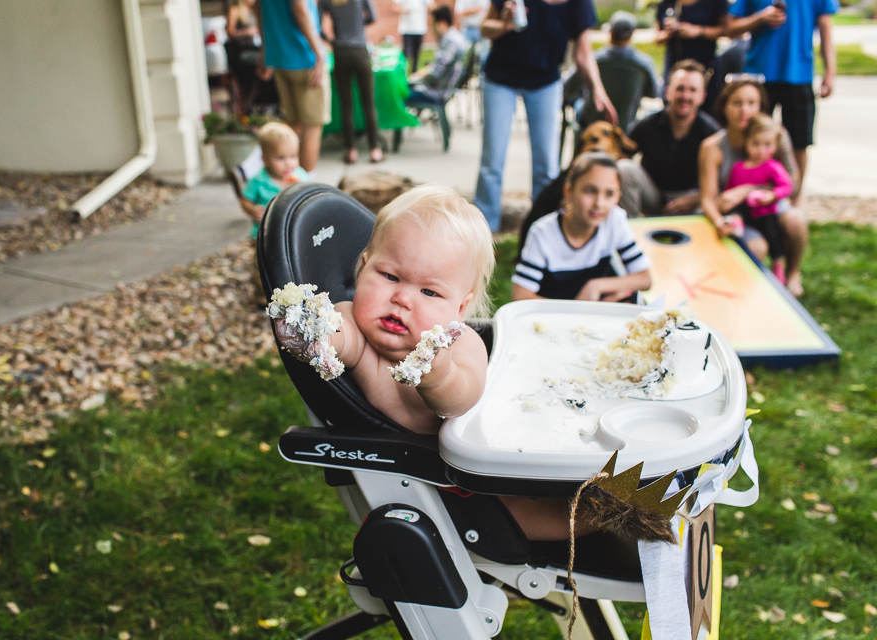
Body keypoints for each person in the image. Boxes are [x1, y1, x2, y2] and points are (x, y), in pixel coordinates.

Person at [273, 185, 590, 540]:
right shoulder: (356, 328)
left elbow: (462, 398)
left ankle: (612, 506)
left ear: (459, 309)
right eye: (390, 276)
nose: (402, 298)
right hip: (450, 486)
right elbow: (337, 338)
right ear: (363, 269)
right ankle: (606, 517)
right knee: (534, 518)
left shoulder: (462, 344)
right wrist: (309, 336)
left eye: (429, 292)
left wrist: (441, 376)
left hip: (503, 449)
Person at [474, 0, 617, 233]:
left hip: (545, 83)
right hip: (500, 79)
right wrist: (503, 24)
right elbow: (485, 27)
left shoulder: (577, 4)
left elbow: (583, 53)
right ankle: (484, 228)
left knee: (546, 165)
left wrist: (597, 89)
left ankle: (543, 227)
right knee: (493, 160)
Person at [699, 78, 808, 295]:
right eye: (737, 103)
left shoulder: (775, 136)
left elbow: (792, 185)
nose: (744, 110)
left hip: (770, 207)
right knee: (757, 247)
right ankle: (750, 289)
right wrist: (719, 222)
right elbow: (708, 197)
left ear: (760, 107)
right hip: (738, 216)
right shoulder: (712, 146)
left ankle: (793, 273)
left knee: (796, 220)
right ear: (724, 106)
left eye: (751, 103)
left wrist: (746, 190)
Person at [726, 0, 837, 194]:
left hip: (799, 74)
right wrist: (760, 18)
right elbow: (732, 27)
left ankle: (793, 199)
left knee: (799, 143)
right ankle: (749, 196)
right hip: (759, 75)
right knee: (750, 141)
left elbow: (826, 26)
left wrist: (830, 72)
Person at [513, 152, 652, 302]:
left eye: (609, 194)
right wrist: (581, 307)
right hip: (551, 318)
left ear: (618, 197)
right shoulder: (542, 233)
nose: (599, 203)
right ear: (568, 192)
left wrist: (596, 286)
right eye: (590, 191)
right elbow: (521, 297)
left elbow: (645, 279)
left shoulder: (615, 220)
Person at [622, 60, 720, 217]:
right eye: (680, 89)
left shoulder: (712, 133)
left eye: (692, 90)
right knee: (623, 168)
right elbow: (621, 156)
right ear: (667, 92)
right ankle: (627, 231)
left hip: (694, 201)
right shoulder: (645, 126)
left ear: (702, 96)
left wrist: (693, 200)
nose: (685, 96)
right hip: (654, 195)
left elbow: (721, 182)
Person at [256, 0, 328, 172]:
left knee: (293, 125)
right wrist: (318, 50)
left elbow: (260, 10)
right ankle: (303, 191)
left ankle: (285, 183)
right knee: (312, 125)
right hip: (304, 58)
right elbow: (300, 8)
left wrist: (265, 49)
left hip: (279, 58)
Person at [723, 113, 792, 282]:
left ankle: (778, 263)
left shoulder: (772, 167)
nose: (761, 150)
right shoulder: (738, 167)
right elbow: (731, 190)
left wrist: (772, 195)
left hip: (764, 210)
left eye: (767, 145)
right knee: (736, 210)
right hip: (744, 210)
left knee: (772, 233)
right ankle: (735, 223)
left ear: (775, 146)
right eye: (755, 144)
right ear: (747, 142)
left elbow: (787, 185)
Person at [565, 11, 660, 133]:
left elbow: (568, 88)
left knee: (575, 101)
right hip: (625, 123)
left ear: (610, 33)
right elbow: (654, 93)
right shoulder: (644, 64)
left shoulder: (592, 61)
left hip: (590, 121)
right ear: (631, 35)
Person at [318, 0, 385, 164]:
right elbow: (373, 18)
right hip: (360, 50)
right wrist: (359, 24)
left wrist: (332, 40)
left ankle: (351, 150)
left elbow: (317, 27)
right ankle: (374, 149)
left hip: (340, 51)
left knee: (346, 105)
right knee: (368, 103)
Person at [240, 122, 310, 239]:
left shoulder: (300, 175)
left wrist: (300, 188)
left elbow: (310, 197)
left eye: (293, 156)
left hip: (294, 230)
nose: (288, 163)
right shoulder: (258, 180)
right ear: (264, 159)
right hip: (265, 233)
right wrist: (252, 210)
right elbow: (245, 200)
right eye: (280, 158)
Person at [655, 0, 729, 98]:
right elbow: (657, 38)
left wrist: (698, 31)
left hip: (706, 67)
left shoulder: (715, 2)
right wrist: (670, 32)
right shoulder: (667, 3)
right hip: (675, 66)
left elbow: (727, 30)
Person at [405, 6, 468, 106]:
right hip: (443, 90)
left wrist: (416, 78)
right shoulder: (456, 37)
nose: (431, 28)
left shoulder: (449, 42)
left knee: (397, 95)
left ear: (442, 23)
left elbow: (436, 73)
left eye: (432, 24)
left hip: (435, 94)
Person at [393, 0, 433, 73]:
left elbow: (432, 6)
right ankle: (402, 74)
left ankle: (414, 76)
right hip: (407, 29)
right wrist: (405, 11)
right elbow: (395, 8)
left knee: (417, 56)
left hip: (420, 29)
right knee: (406, 54)